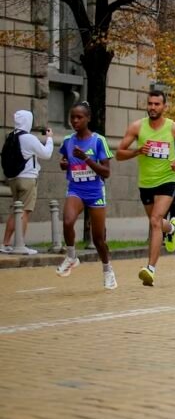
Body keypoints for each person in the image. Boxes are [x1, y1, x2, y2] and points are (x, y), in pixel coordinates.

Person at [116, 90, 175, 286]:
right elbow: (119, 154)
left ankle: (150, 269)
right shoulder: (137, 127)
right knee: (158, 223)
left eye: (157, 104)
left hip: (167, 179)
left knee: (155, 220)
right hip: (146, 183)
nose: (152, 107)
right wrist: (137, 151)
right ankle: (172, 228)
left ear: (164, 107)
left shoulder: (174, 128)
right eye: (150, 103)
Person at [54, 102, 115, 289]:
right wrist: (64, 164)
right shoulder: (67, 141)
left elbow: (106, 172)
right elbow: (64, 160)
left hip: (95, 191)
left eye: (79, 117)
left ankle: (107, 270)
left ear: (88, 118)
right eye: (72, 117)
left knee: (98, 239)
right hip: (76, 189)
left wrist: (86, 158)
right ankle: (71, 256)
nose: (75, 121)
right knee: (67, 221)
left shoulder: (98, 141)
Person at [1, 110, 53, 254]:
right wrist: (49, 138)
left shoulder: (11, 137)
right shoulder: (28, 138)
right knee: (25, 211)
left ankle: (5, 243)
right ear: (28, 121)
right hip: (28, 179)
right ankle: (20, 244)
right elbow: (46, 154)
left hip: (13, 179)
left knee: (16, 211)